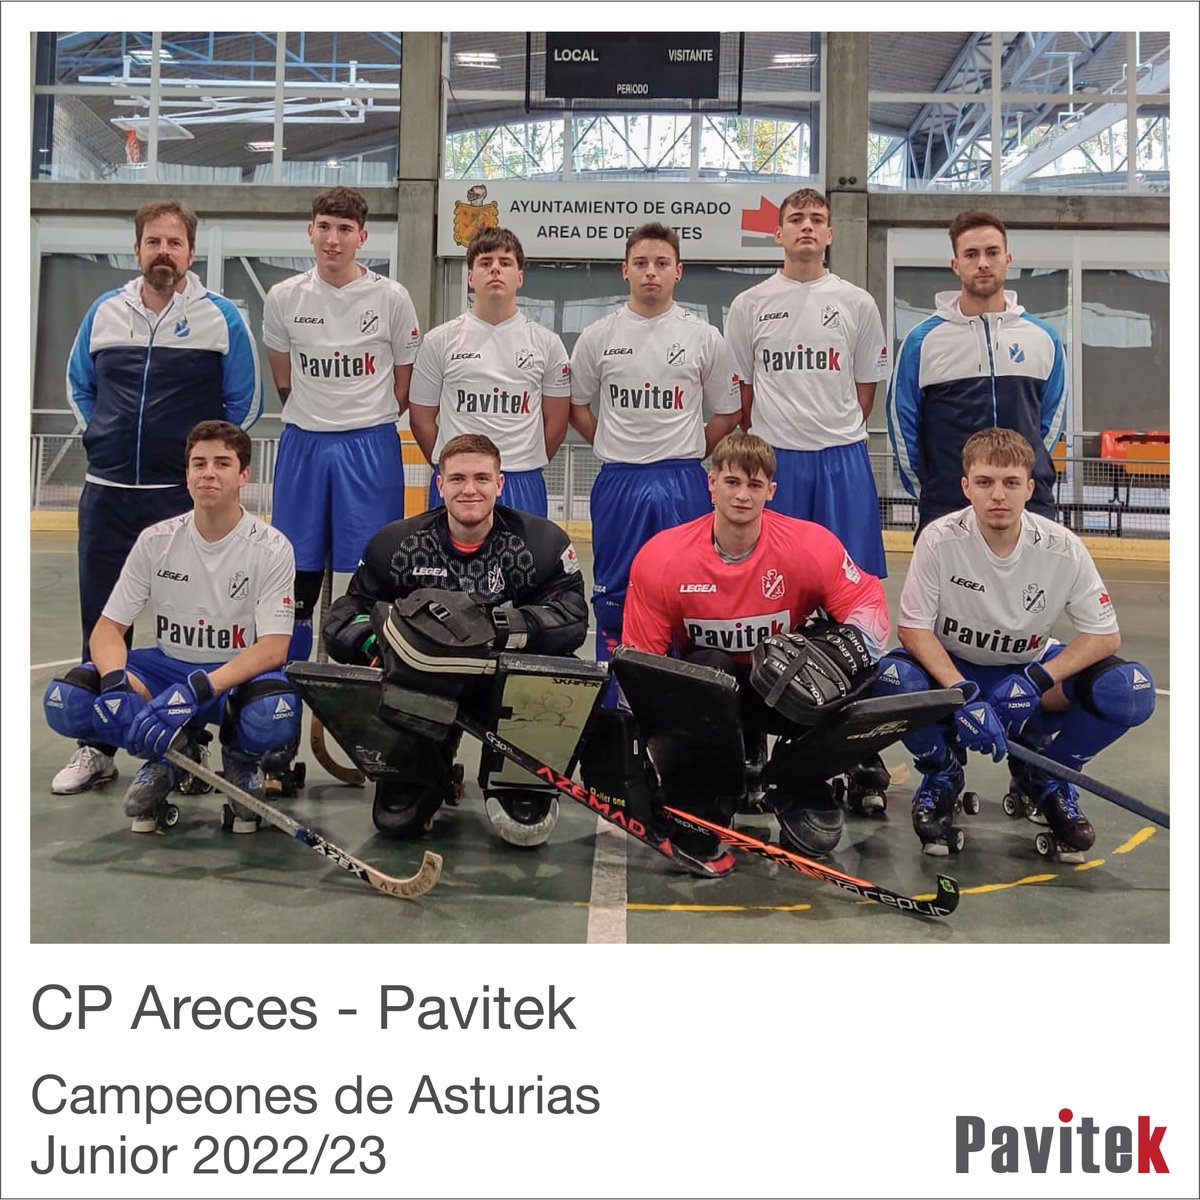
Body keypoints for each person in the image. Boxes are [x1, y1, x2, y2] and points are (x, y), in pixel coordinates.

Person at [57, 199, 262, 797]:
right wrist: (102, 436)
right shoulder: (104, 312)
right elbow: (80, 386)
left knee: (194, 627)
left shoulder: (220, 317)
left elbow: (241, 407)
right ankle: (95, 747)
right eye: (154, 242)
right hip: (109, 497)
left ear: (190, 252)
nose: (163, 252)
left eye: (174, 243)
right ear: (138, 248)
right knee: (101, 621)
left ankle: (190, 740)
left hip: (180, 501)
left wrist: (200, 471)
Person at [872, 428, 1155, 860]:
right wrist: (963, 693)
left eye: (1010, 483)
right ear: (966, 486)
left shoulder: (1063, 548)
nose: (997, 495)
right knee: (890, 678)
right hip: (955, 670)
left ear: (1029, 487)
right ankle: (942, 774)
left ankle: (1049, 774)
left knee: (1130, 690)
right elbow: (913, 629)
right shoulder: (938, 539)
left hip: (1029, 672)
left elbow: (1104, 635)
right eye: (984, 483)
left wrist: (1037, 678)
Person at [621, 432, 891, 857]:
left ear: (771, 491)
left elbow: (869, 606)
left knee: (844, 665)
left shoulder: (810, 546)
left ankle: (799, 780)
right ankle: (707, 791)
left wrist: (843, 648)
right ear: (711, 484)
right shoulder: (662, 558)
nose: (742, 496)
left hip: (788, 691)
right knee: (707, 665)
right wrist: (648, 762)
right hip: (712, 694)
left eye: (754, 485)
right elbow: (643, 663)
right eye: (732, 482)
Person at [322, 434, 588, 845]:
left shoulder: (541, 544)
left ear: (500, 484)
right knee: (397, 825)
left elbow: (570, 618)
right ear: (440, 484)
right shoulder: (397, 546)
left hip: (503, 683)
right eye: (458, 478)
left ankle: (517, 780)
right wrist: (385, 644)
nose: (470, 489)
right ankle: (419, 772)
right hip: (424, 688)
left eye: (482, 478)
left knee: (524, 831)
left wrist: (498, 625)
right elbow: (344, 618)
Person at [43, 421, 300, 835]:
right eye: (198, 463)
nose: (208, 473)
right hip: (164, 668)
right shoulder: (156, 540)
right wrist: (113, 685)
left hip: (228, 677)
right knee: (66, 700)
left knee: (274, 715)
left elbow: (273, 648)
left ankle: (240, 761)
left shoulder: (270, 547)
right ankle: (171, 755)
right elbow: (108, 629)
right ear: (186, 474)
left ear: (244, 474)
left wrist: (197, 689)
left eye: (222, 463)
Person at [568, 222, 742, 672]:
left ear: (678, 271)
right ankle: (616, 689)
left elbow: (727, 412)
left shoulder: (704, 336)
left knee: (688, 587)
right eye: (641, 263)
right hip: (619, 479)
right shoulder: (598, 336)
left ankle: (684, 686)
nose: (651, 272)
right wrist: (611, 442)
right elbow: (577, 405)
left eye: (661, 264)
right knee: (616, 588)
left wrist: (687, 451)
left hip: (682, 478)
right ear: (624, 270)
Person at [261, 185, 421, 672]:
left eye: (345, 230)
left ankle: (365, 686)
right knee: (298, 573)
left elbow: (403, 382)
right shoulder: (284, 297)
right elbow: (283, 377)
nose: (334, 239)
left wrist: (360, 415)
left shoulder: (391, 298)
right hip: (304, 445)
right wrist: (318, 413)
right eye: (325, 228)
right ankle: (285, 687)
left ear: (362, 237)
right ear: (310, 231)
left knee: (372, 570)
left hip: (369, 445)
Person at [724, 187, 890, 579]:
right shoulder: (749, 304)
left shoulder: (858, 302)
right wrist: (770, 431)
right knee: (777, 576)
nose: (807, 227)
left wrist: (834, 426)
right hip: (778, 457)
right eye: (796, 220)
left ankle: (850, 643)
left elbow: (865, 388)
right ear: (778, 234)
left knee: (850, 576)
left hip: (842, 455)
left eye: (816, 220)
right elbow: (743, 389)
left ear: (829, 234)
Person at [886, 209, 1067, 537]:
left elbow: (1049, 424)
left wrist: (1024, 477)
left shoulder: (1044, 339)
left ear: (1007, 259)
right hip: (947, 503)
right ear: (956, 265)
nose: (983, 262)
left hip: (1029, 502)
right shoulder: (922, 341)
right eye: (971, 254)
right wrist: (932, 487)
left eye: (992, 252)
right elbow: (903, 425)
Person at [409, 228, 571, 517]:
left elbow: (557, 421)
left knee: (524, 562)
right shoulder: (440, 340)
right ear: (470, 277)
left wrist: (525, 459)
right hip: (459, 481)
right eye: (485, 262)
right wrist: (453, 466)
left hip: (522, 478)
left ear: (520, 277)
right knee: (451, 562)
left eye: (505, 262)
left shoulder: (547, 343)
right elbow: (421, 418)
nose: (495, 268)